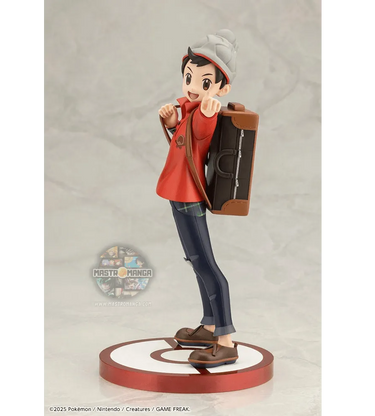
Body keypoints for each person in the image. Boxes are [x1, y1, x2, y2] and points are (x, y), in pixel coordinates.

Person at [156, 30, 239, 368]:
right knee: (195, 260)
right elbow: (185, 143)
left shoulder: (205, 112)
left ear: (221, 88)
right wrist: (172, 122)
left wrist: (204, 113)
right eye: (189, 77)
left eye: (205, 82)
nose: (192, 86)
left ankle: (226, 340)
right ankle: (209, 326)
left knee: (205, 263)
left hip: (188, 195)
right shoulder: (190, 111)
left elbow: (202, 132)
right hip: (178, 193)